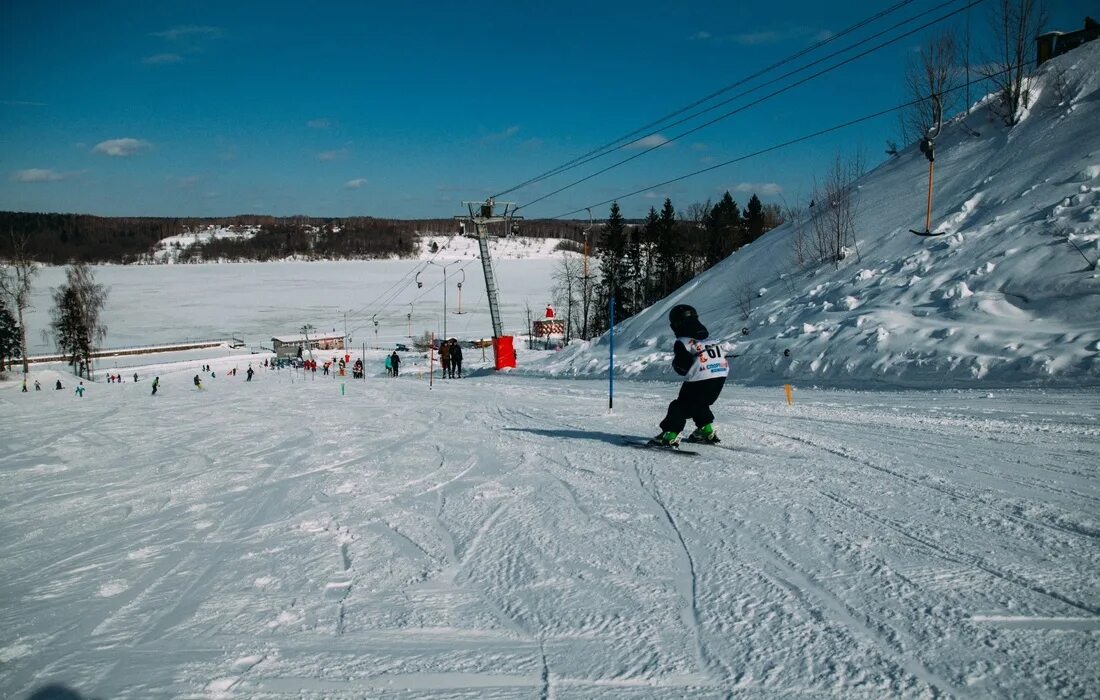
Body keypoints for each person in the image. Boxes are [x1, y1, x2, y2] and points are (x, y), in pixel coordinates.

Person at [650, 304, 729, 447]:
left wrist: (676, 364)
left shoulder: (683, 342)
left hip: (700, 378)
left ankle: (670, 434)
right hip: (719, 377)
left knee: (680, 406)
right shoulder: (711, 340)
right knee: (700, 403)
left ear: (677, 324)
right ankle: (705, 429)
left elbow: (683, 367)